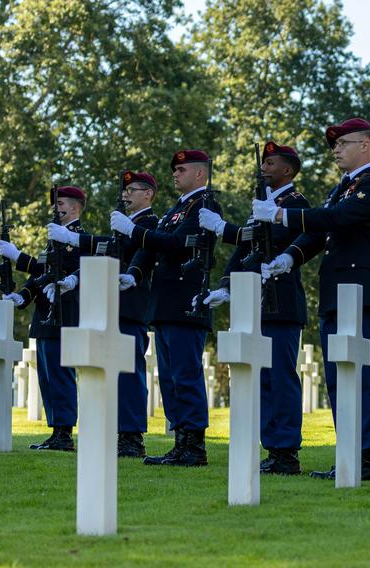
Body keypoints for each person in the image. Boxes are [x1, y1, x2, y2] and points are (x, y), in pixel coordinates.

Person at [252, 118, 370, 481]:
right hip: (335, 293)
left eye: (343, 143)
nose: (336, 150)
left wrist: (283, 214)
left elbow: (338, 218)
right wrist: (291, 257)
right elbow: (318, 232)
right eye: (335, 145)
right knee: (337, 376)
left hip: (361, 292)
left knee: (361, 374)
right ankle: (348, 449)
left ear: (365, 145)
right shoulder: (342, 188)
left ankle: (365, 455)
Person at [197, 142, 310, 474]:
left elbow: (272, 240)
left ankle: (286, 451)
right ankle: (272, 447)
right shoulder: (264, 205)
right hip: (255, 303)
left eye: (271, 162)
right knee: (263, 379)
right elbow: (246, 251)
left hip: (282, 303)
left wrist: (223, 229)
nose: (264, 167)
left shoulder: (296, 204)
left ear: (288, 170)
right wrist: (226, 286)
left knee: (281, 378)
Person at [111, 150, 219, 467]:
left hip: (186, 299)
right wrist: (134, 273)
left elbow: (175, 243)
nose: (175, 173)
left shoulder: (205, 206)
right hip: (164, 302)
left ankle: (195, 446)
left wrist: (134, 232)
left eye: (182, 169)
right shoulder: (176, 209)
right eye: (174, 169)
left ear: (200, 174)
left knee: (186, 374)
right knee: (171, 377)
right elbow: (153, 247)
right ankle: (180, 442)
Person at [45, 171, 160, 457]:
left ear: (148, 194)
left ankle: (132, 437)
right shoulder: (125, 224)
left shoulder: (150, 223)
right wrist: (75, 278)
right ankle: (118, 432)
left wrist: (131, 269)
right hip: (109, 306)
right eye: (125, 190)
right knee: (113, 375)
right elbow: (106, 253)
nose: (126, 194)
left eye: (132, 189)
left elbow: (140, 254)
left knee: (130, 375)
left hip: (131, 305)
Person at [0, 186, 89, 451]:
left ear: (75, 207)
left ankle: (64, 433)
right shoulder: (54, 239)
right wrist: (23, 295)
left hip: (65, 313)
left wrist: (18, 257)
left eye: (61, 203)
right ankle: (56, 430)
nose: (55, 208)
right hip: (46, 314)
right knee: (47, 377)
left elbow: (57, 271)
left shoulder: (80, 238)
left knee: (60, 375)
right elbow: (42, 275)